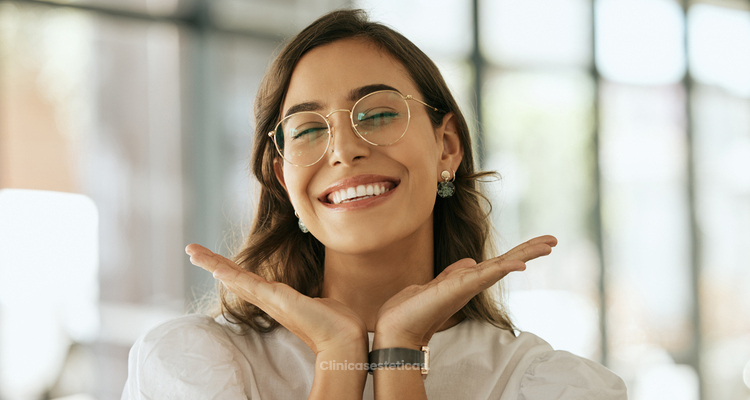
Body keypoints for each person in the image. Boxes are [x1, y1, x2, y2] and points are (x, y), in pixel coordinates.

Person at [121, 9, 627, 400]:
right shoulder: (193, 364)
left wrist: (399, 354)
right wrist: (339, 358)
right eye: (310, 129)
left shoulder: (546, 384)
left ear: (447, 146)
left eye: (379, 114)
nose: (343, 149)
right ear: (283, 178)